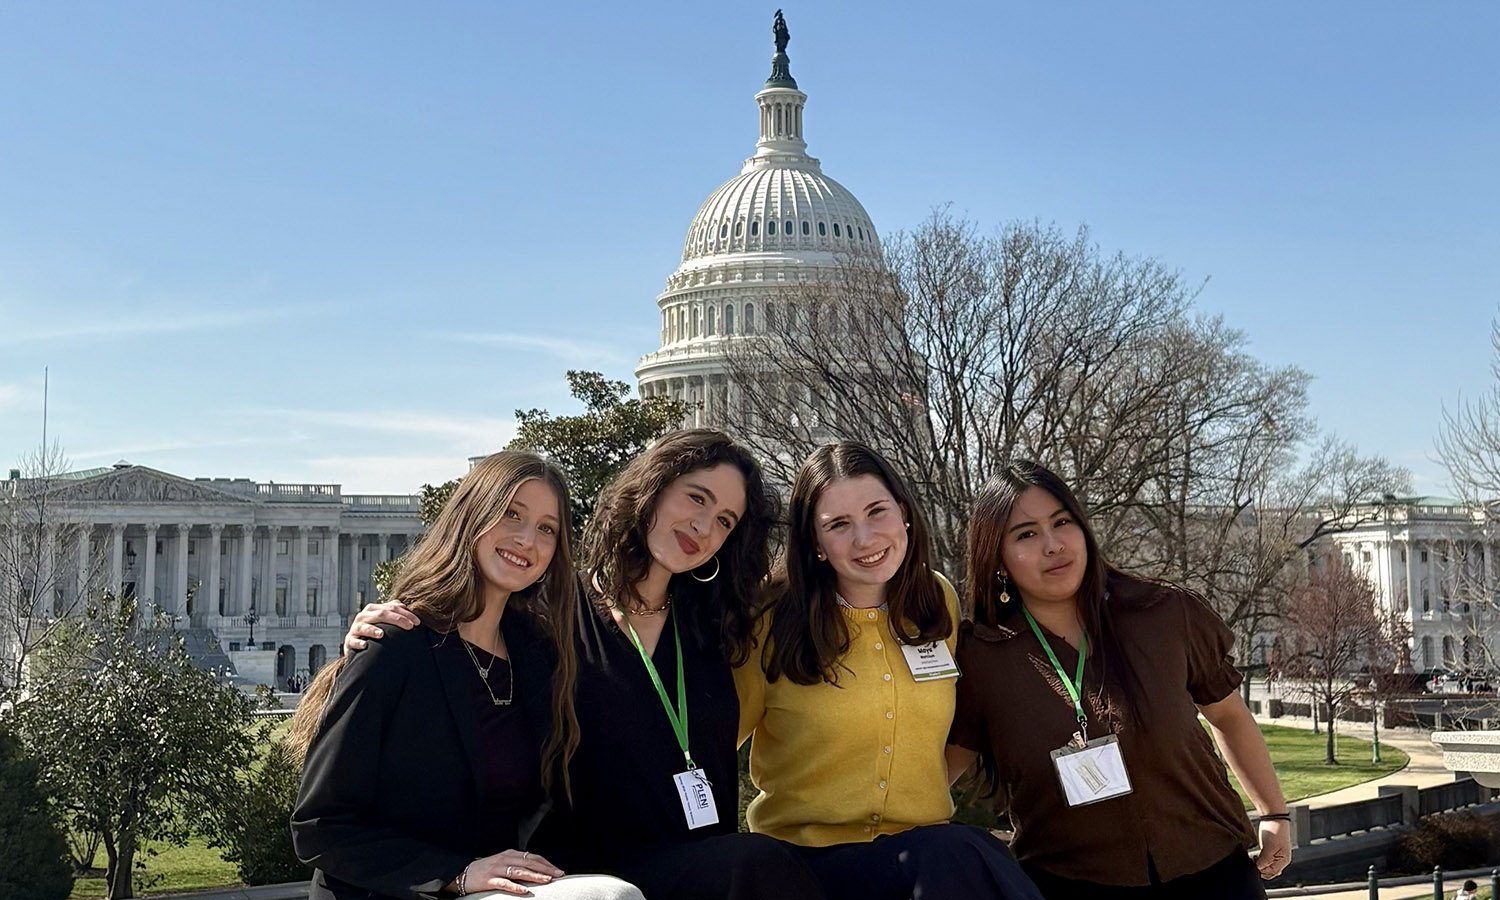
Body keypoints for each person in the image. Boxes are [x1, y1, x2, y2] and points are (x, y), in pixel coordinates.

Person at [345, 430, 826, 900]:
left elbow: (832, 588)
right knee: (754, 861)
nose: (705, 527)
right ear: (653, 490)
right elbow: (463, 641)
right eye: (696, 499)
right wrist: (386, 624)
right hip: (586, 872)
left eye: (725, 521)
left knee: (756, 863)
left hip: (702, 865)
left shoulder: (716, 627)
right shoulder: (543, 616)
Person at [289, 451, 644, 900]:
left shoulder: (539, 655)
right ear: (473, 515)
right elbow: (319, 826)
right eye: (511, 514)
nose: (526, 539)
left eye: (546, 529)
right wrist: (456, 874)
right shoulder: (396, 644)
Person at [946, 460, 1293, 899]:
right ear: (996, 558)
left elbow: (1229, 715)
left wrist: (1273, 814)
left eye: (1062, 522)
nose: (1053, 544)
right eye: (1026, 534)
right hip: (1069, 885)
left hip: (1213, 873)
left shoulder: (1164, 613)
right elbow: (936, 773)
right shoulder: (981, 658)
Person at [735, 441, 1044, 900]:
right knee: (962, 851)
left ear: (903, 512)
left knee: (960, 850)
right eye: (838, 525)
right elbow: (711, 746)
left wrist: (921, 788)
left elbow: (959, 724)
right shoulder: (770, 619)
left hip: (918, 858)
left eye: (876, 512)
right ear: (815, 544)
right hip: (806, 866)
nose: (865, 538)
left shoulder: (936, 600)